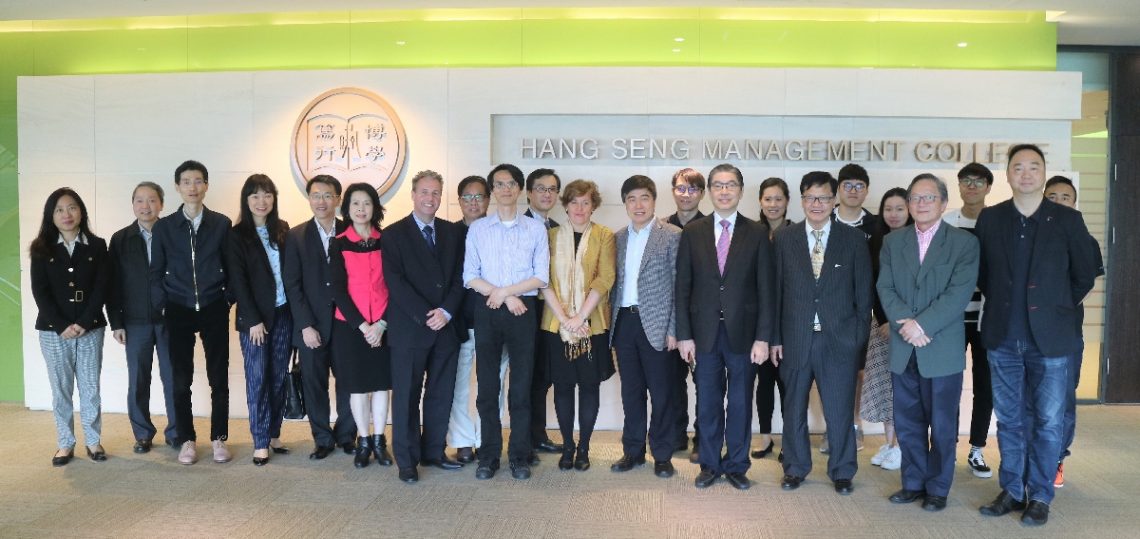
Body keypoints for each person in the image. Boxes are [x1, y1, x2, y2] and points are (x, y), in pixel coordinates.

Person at [975, 144, 1099, 526]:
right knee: (1009, 419)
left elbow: (1085, 272)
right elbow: (983, 276)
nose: (1025, 174)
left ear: (1044, 173)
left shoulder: (1066, 219)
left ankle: (1041, 494)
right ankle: (1013, 489)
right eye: (1018, 167)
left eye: (1033, 167)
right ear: (1008, 174)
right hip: (1003, 336)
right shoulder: (991, 219)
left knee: (1048, 421)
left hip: (1052, 340)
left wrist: (1056, 306)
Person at [877, 174, 979, 512]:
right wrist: (907, 326)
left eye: (929, 198)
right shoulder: (894, 243)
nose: (921, 204)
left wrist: (921, 325)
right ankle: (913, 483)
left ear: (943, 203)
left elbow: (959, 293)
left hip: (941, 346)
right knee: (908, 421)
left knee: (943, 424)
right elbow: (885, 288)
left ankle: (938, 487)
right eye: (915, 198)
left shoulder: (964, 243)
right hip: (904, 345)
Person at [772, 171, 872, 495]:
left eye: (824, 198)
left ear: (834, 200)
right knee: (793, 409)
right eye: (810, 198)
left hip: (838, 342)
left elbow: (863, 295)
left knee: (839, 410)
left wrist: (856, 339)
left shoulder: (854, 240)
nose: (817, 204)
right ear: (802, 201)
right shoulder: (785, 239)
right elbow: (775, 293)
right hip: (795, 339)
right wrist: (775, 338)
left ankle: (842, 471)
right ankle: (796, 468)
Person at [676, 163, 774, 490]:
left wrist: (763, 338)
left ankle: (736, 465)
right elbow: (683, 288)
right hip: (703, 335)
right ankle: (709, 464)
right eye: (717, 185)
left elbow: (766, 290)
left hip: (744, 336)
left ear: (741, 191)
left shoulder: (758, 233)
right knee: (707, 402)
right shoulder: (693, 232)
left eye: (730, 185)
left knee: (740, 402)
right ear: (710, 191)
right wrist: (684, 334)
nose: (724, 191)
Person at [463, 163, 550, 481]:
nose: (505, 189)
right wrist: (502, 296)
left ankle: (519, 455)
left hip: (522, 311)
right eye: (499, 184)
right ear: (492, 191)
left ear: (520, 189)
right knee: (487, 388)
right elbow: (469, 275)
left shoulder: (535, 229)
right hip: (487, 309)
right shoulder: (479, 229)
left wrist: (510, 294)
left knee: (521, 388)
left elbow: (540, 276)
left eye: (511, 183)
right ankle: (488, 455)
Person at [382, 170, 467, 483]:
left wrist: (446, 311)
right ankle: (407, 460)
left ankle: (433, 451)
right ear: (413, 195)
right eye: (424, 192)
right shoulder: (392, 234)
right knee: (406, 396)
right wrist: (426, 314)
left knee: (440, 393)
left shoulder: (452, 232)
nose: (430, 198)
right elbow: (395, 282)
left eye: (435, 193)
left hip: (446, 326)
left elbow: (462, 276)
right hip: (410, 329)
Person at [151, 160, 233, 465]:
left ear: (206, 186)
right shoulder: (164, 227)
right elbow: (156, 270)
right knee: (180, 378)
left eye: (198, 181)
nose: (192, 187)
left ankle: (219, 438)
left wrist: (228, 298)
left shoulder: (221, 224)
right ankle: (187, 439)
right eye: (186, 182)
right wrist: (163, 303)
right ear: (177, 187)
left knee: (218, 377)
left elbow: (233, 266)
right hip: (179, 308)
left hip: (213, 305)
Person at [539, 179, 616, 472]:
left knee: (588, 387)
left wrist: (580, 317)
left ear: (594, 205)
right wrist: (565, 319)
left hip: (590, 326)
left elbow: (604, 278)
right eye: (574, 202)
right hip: (556, 325)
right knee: (562, 387)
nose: (580, 208)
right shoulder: (550, 236)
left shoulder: (604, 236)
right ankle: (567, 446)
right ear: (565, 205)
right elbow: (543, 278)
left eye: (586, 202)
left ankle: (584, 446)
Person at [30, 188, 109, 466]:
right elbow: (40, 292)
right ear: (51, 216)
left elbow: (102, 287)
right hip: (53, 331)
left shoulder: (97, 245)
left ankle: (93, 441)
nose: (67, 214)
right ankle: (65, 443)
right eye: (60, 210)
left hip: (91, 328)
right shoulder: (41, 248)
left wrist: (85, 322)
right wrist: (62, 325)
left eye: (72, 207)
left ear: (81, 211)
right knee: (61, 388)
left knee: (90, 387)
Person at [610, 175, 682, 478]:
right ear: (625, 203)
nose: (638, 205)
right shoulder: (617, 238)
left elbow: (681, 287)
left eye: (644, 198)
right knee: (631, 391)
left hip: (658, 324)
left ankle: (662, 454)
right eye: (632, 199)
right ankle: (633, 451)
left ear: (654, 201)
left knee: (662, 392)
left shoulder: (673, 235)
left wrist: (674, 330)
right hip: (624, 322)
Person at [283, 174, 358, 460]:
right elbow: (292, 284)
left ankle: (346, 435)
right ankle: (322, 438)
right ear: (309, 198)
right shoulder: (296, 235)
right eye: (316, 195)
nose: (321, 201)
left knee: (349, 382)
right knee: (314, 384)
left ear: (338, 199)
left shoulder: (351, 231)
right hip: (311, 326)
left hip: (345, 323)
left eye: (328, 195)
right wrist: (304, 325)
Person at [1043, 175, 1105, 488]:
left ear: (1073, 202)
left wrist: (1053, 309)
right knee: (1030, 401)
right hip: (1028, 335)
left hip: (1066, 334)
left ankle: (1056, 460)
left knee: (1062, 400)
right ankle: (1033, 458)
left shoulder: (1085, 240)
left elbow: (1086, 284)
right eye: (1051, 196)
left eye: (1064, 197)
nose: (1057, 201)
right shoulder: (1029, 236)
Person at [227, 174, 293, 466]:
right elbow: (238, 281)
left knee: (279, 376)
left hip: (283, 313)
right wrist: (252, 319)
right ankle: (260, 439)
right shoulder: (237, 234)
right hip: (255, 320)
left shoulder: (282, 229)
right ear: (246, 200)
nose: (261, 201)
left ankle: (274, 432)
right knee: (257, 378)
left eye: (267, 195)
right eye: (255, 196)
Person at [107, 181, 176, 454]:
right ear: (133, 204)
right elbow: (113, 285)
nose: (145, 206)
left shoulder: (172, 234)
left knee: (174, 378)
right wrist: (117, 323)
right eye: (139, 200)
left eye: (151, 200)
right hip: (135, 322)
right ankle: (143, 433)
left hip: (170, 320)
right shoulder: (121, 239)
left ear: (161, 204)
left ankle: (177, 432)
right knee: (138, 379)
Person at [329, 182, 394, 469]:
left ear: (375, 207)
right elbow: (338, 291)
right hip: (351, 327)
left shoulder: (388, 240)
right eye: (355, 203)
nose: (361, 209)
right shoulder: (338, 242)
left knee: (382, 385)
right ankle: (363, 441)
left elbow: (396, 286)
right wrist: (363, 326)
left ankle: (380, 440)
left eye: (366, 203)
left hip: (384, 324)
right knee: (356, 387)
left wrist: (381, 324)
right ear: (347, 208)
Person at [447, 175, 509, 464]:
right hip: (459, 323)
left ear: (489, 199)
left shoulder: (500, 231)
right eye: (467, 197)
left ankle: (487, 439)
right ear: (459, 201)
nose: (473, 202)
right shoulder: (447, 234)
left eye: (479, 196)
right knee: (459, 385)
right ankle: (462, 441)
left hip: (495, 321)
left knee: (492, 386)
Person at [942, 162, 996, 479]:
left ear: (988, 186)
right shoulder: (947, 223)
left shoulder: (999, 222)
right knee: (949, 384)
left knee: (984, 385)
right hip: (951, 317)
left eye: (978, 181)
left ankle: (976, 449)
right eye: (966, 180)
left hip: (988, 317)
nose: (971, 186)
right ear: (959, 186)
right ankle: (947, 449)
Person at [820, 163, 879, 454]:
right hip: (829, 312)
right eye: (847, 185)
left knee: (857, 372)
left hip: (864, 312)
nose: (853, 191)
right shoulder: (822, 220)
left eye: (859, 186)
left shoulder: (877, 226)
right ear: (837, 191)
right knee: (826, 370)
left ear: (866, 190)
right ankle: (833, 426)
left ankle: (853, 423)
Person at [863, 187, 913, 472]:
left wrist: (898, 323)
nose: (893, 214)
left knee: (904, 389)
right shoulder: (876, 242)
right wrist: (882, 320)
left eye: (899, 208)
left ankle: (903, 446)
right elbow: (874, 286)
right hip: (881, 326)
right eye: (888, 209)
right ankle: (890, 443)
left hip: (910, 328)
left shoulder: (917, 242)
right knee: (884, 388)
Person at [665, 167, 706, 463]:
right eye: (681, 188)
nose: (686, 194)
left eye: (692, 189)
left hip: (702, 319)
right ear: (673, 192)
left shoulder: (712, 226)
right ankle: (676, 433)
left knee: (705, 382)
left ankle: (702, 438)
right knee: (671, 380)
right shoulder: (662, 226)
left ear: (702, 194)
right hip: (669, 318)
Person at [524, 168, 565, 456]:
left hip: (550, 313)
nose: (546, 194)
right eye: (541, 188)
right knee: (526, 378)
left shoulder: (557, 228)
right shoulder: (518, 225)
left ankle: (536, 435)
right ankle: (526, 439)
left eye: (552, 189)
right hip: (523, 311)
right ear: (528, 193)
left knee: (542, 376)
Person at [752, 177, 792, 460]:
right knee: (764, 381)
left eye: (778, 199)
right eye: (768, 199)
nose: (773, 204)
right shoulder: (752, 233)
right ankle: (765, 437)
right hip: (759, 321)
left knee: (789, 383)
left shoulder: (797, 233)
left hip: (791, 320)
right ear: (760, 202)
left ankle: (790, 440)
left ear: (787, 202)